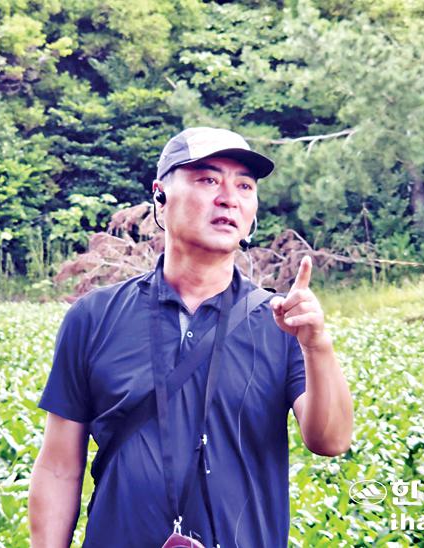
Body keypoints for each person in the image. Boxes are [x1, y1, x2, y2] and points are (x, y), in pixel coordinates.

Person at [28, 127, 354, 547]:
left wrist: (317, 345)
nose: (229, 198)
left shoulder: (282, 323)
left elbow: (331, 440)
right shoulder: (93, 317)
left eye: (244, 186)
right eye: (208, 179)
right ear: (160, 196)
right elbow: (58, 468)